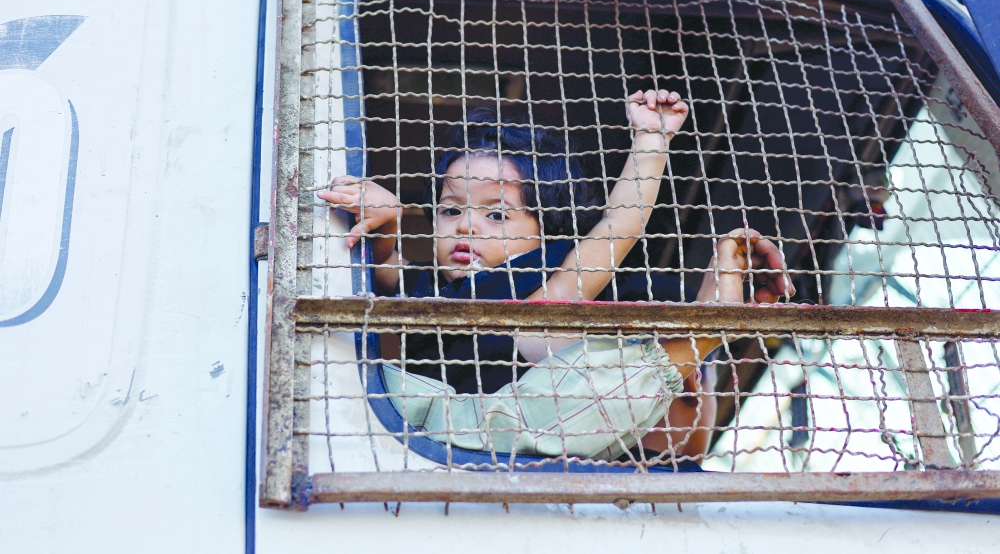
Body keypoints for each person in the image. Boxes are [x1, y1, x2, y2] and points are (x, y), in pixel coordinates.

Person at [319, 89, 792, 462]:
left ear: (545, 232)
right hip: (444, 441)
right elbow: (385, 272)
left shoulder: (547, 284)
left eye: (498, 216)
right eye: (449, 210)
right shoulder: (428, 288)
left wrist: (653, 138)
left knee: (541, 328)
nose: (466, 225)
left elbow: (619, 224)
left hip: (539, 439)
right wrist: (389, 220)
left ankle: (701, 331)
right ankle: (699, 333)